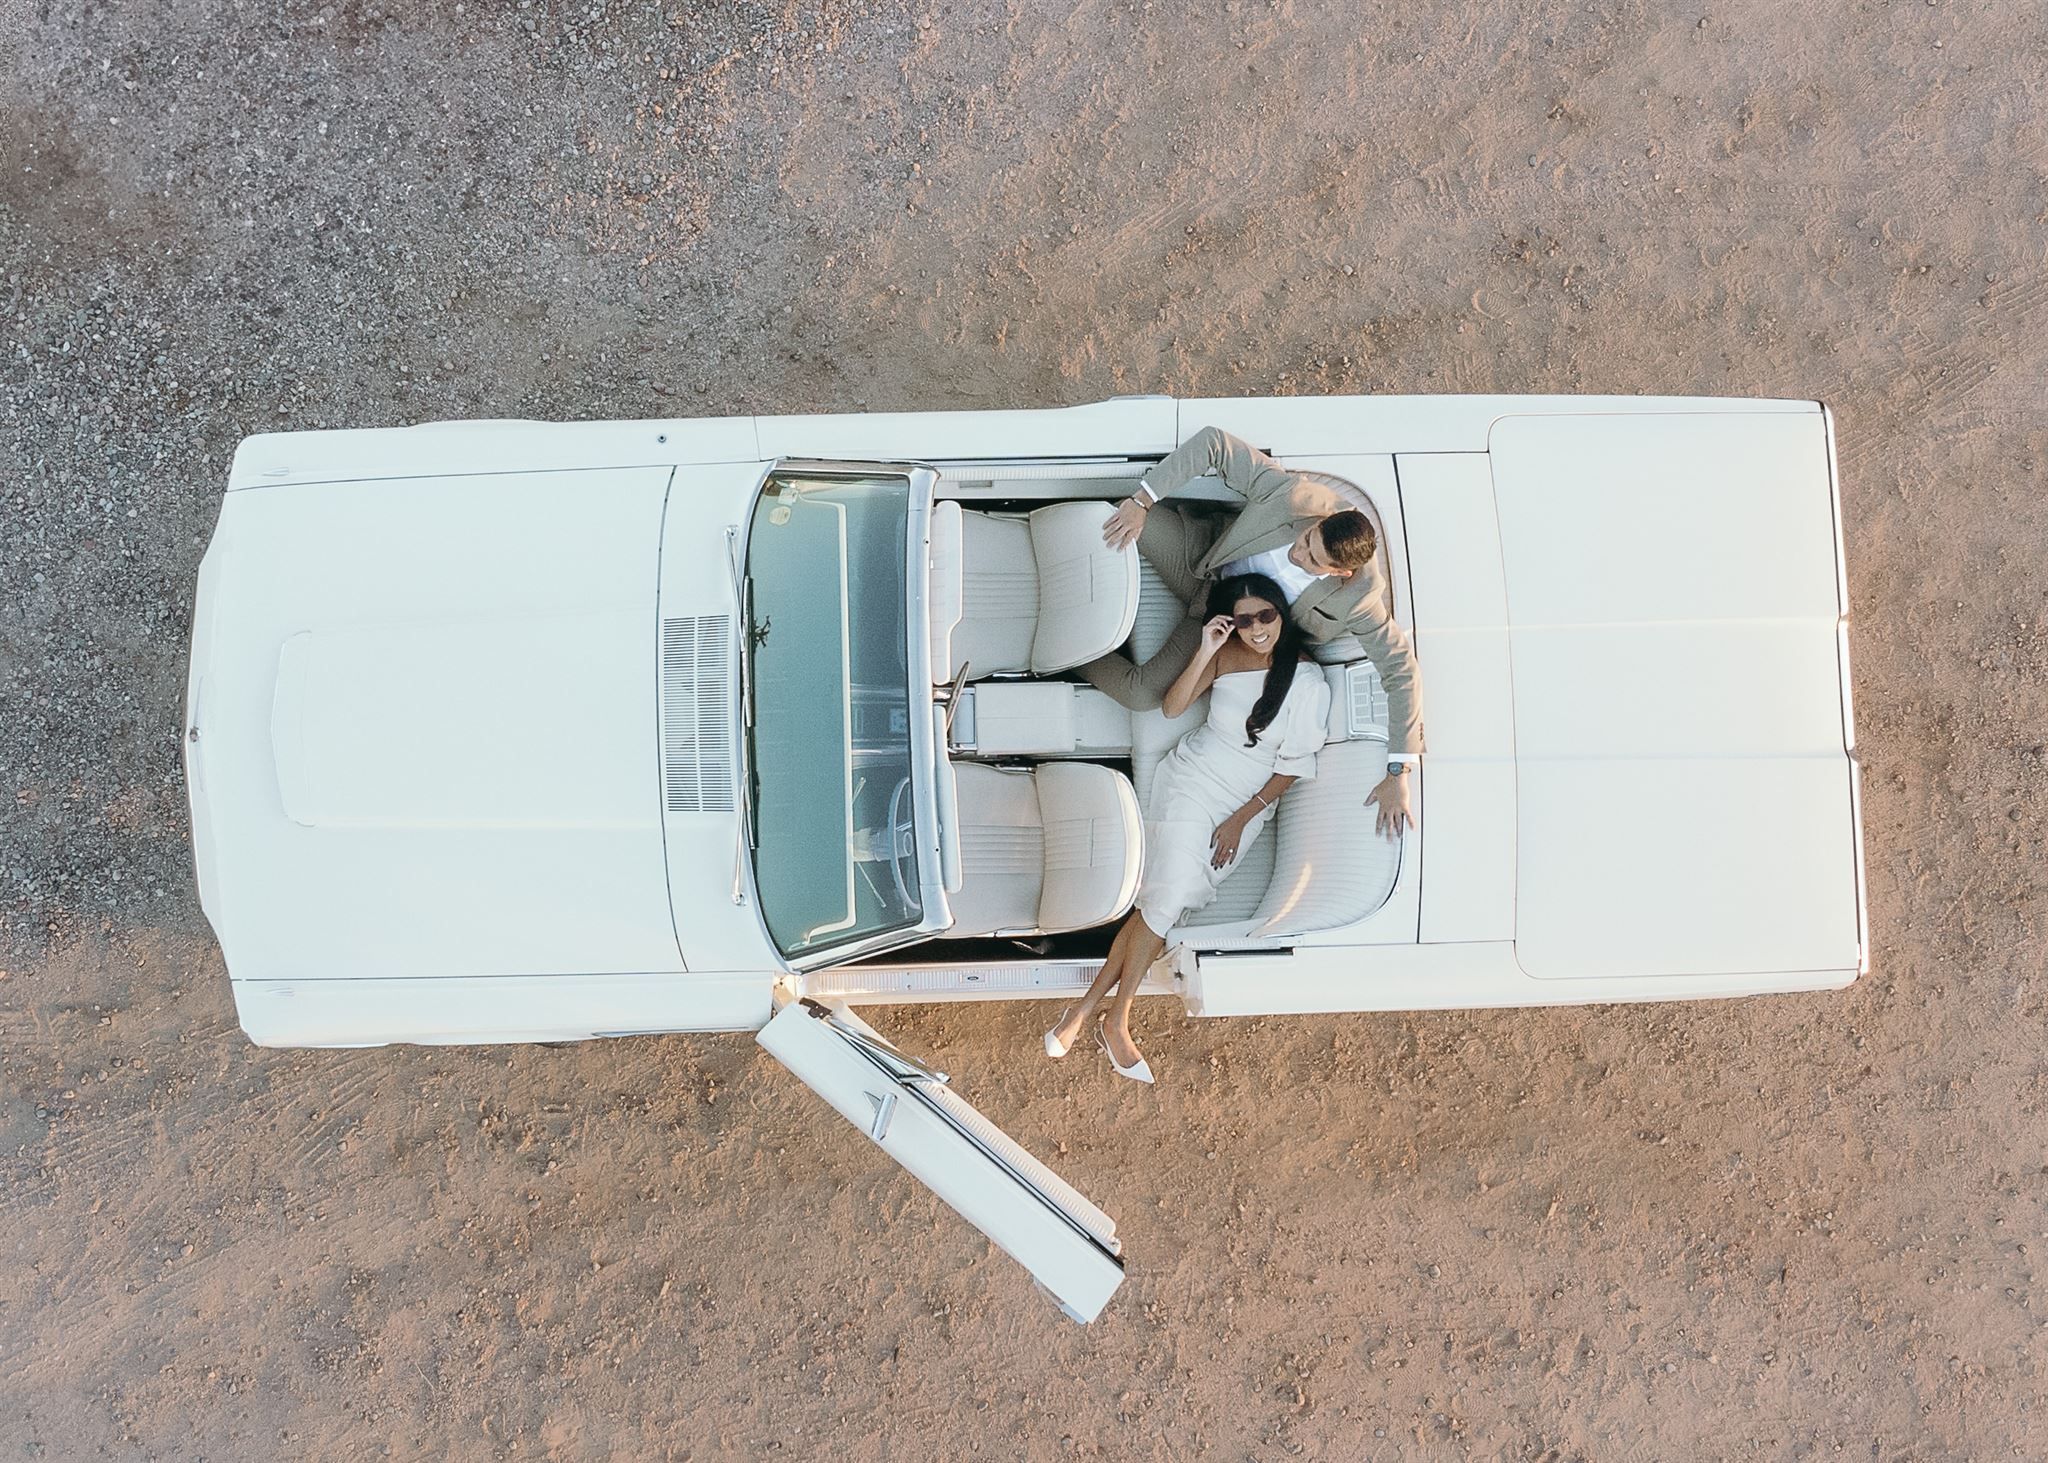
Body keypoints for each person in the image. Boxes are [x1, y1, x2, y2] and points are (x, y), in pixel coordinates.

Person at [1045, 574, 1329, 1082]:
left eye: (1266, 615)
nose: (1258, 628)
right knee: (1169, 894)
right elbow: (1173, 707)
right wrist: (1206, 648)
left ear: (1281, 613)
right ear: (1230, 622)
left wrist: (1241, 820)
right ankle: (1116, 1019)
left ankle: (1086, 1011)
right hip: (1195, 777)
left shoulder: (1306, 681)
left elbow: (1294, 763)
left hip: (1246, 800)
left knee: (1162, 899)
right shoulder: (1224, 654)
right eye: (1244, 620)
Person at [1081, 425, 1422, 837]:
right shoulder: (1293, 496)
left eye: (1312, 560)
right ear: (1322, 520)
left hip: (1232, 630)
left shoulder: (1360, 597)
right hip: (1202, 564)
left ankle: (1062, 660)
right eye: (1306, 539)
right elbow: (1213, 443)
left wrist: (1398, 769)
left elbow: (1401, 672)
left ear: (1340, 572)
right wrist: (1143, 500)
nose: (1299, 552)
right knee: (1121, 517)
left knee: (1139, 695)